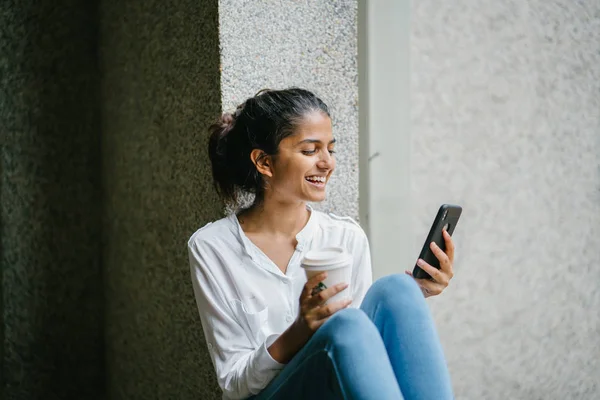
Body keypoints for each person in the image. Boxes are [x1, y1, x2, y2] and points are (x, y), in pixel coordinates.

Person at [188, 88, 455, 400]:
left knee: (399, 289)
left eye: (331, 149)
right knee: (347, 324)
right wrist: (301, 330)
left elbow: (358, 357)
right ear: (264, 162)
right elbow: (234, 383)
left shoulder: (346, 237)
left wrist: (420, 289)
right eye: (310, 151)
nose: (327, 163)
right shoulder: (212, 247)